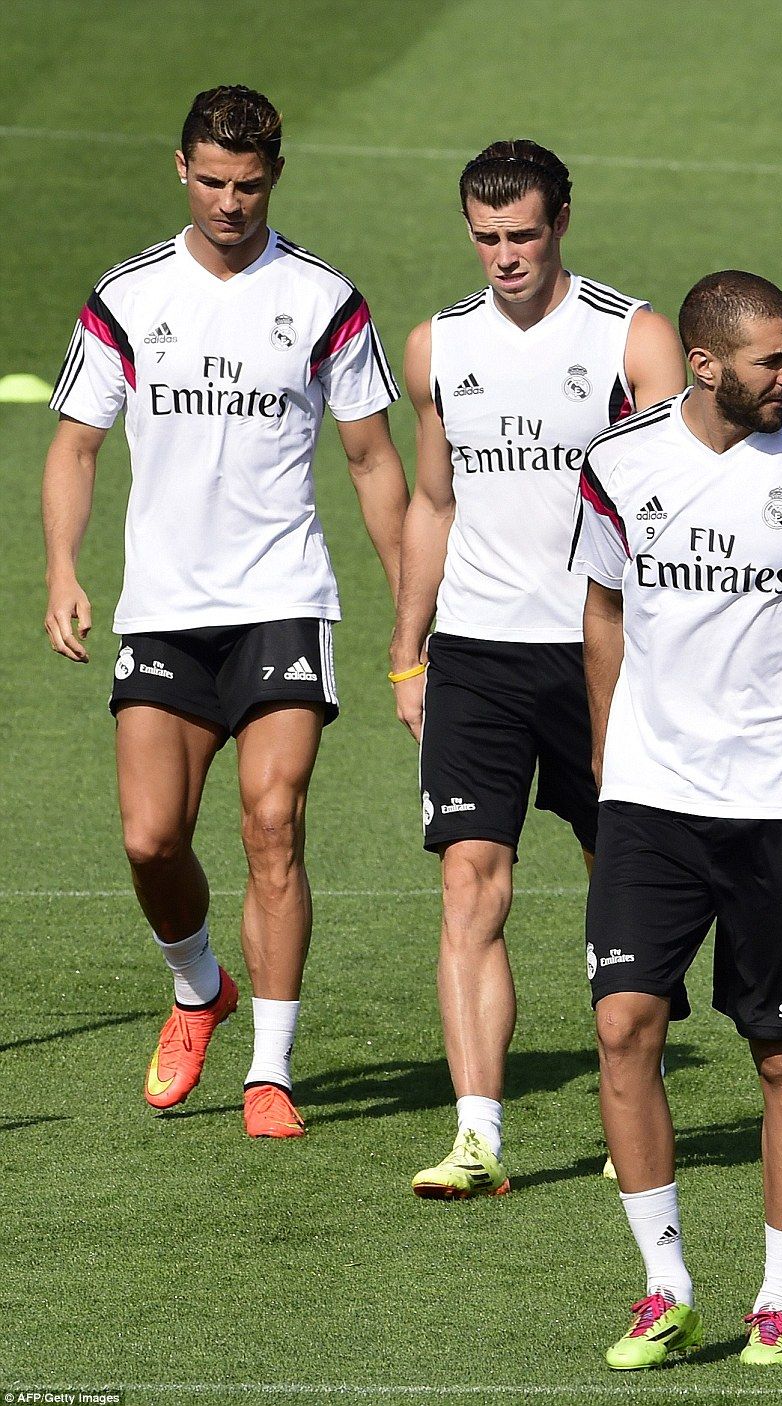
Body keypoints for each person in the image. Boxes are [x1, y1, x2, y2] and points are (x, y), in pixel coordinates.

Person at [42, 86, 408, 1138]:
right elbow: (74, 442)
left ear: (274, 178)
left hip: (282, 601)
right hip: (162, 608)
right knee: (153, 838)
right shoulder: (126, 296)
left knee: (270, 821)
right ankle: (200, 985)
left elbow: (373, 456)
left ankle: (270, 1071)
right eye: (212, 181)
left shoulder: (323, 298)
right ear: (181, 169)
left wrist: (409, 612)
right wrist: (63, 567)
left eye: (248, 185)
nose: (229, 202)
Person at [570, 270, 782, 1366]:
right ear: (705, 362)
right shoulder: (618, 461)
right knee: (622, 1024)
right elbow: (601, 611)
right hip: (651, 799)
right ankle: (663, 1284)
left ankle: (778, 1294)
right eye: (773, 359)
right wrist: (605, 763)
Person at [388, 139, 688, 1198]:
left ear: (561, 218)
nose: (504, 257)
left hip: (605, 652)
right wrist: (405, 648)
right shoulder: (435, 347)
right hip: (475, 651)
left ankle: (632, 1107)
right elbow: (433, 502)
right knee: (470, 877)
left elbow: (676, 496)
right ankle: (477, 1133)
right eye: (484, 238)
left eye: (521, 235)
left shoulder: (632, 337)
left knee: (628, 881)